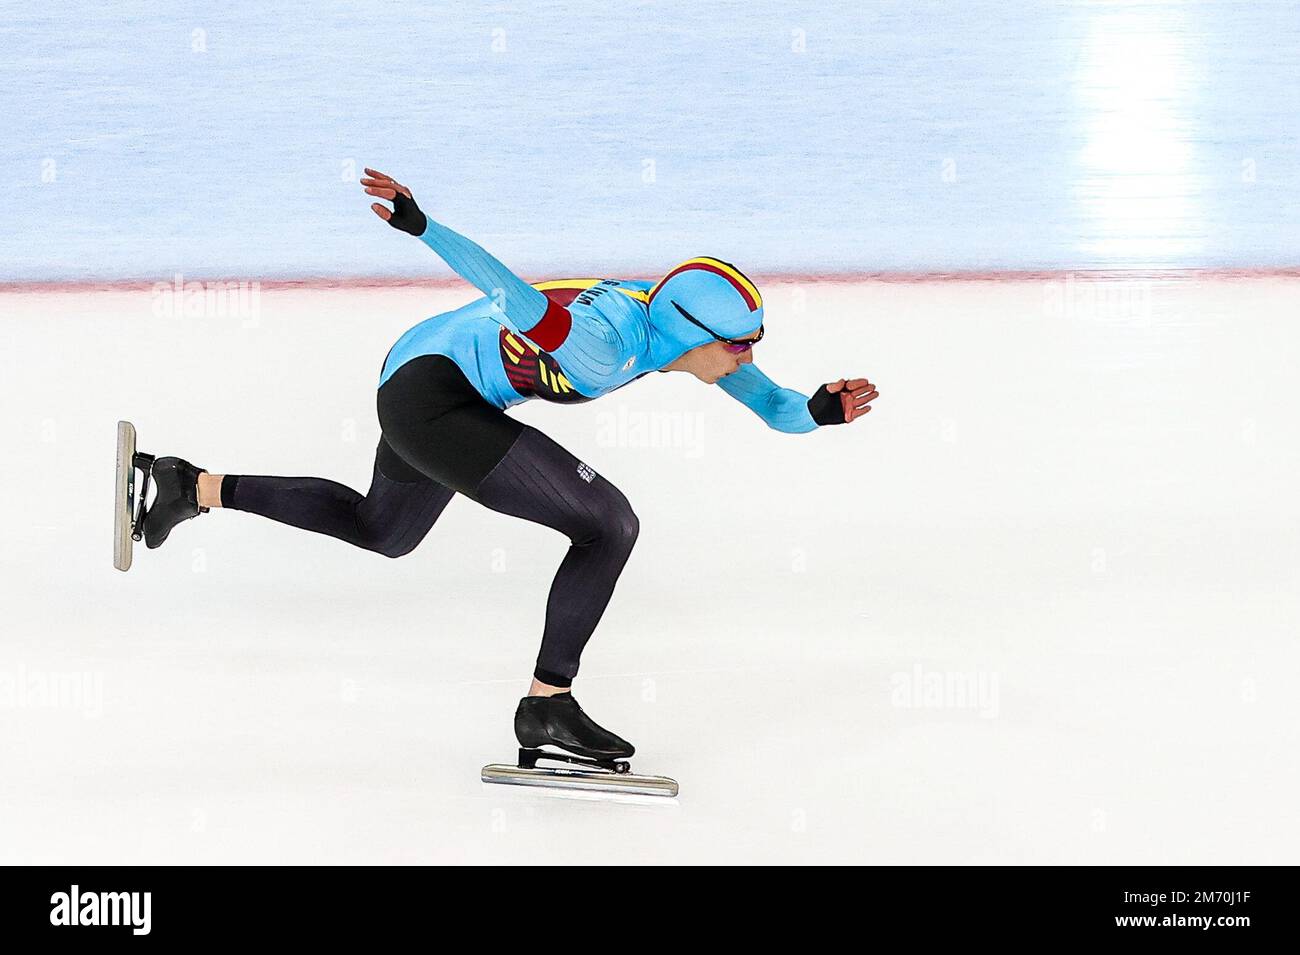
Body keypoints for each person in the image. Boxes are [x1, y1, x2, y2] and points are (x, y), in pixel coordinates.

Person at [138, 169, 878, 762]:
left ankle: (188, 485)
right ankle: (547, 703)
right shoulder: (606, 341)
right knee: (609, 522)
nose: (748, 356)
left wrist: (819, 409)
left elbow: (776, 405)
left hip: (423, 370)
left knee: (383, 529)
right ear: (696, 332)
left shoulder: (678, 336)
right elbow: (508, 292)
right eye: (740, 344)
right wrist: (424, 225)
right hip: (432, 392)